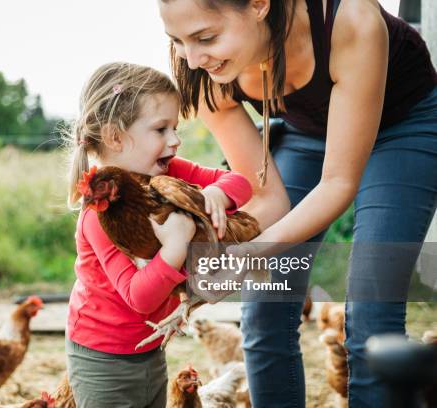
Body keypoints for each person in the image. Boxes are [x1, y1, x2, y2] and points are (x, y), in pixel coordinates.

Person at [157, 0, 437, 407]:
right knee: (265, 300)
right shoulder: (197, 71)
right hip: (307, 131)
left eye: (206, 38)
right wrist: (224, 259)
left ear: (258, 5)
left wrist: (250, 253)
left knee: (372, 305)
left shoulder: (350, 19)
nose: (194, 58)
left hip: (404, 125)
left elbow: (338, 183)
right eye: (178, 40)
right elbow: (268, 199)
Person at [63, 62, 253, 408]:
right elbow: (140, 298)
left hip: (149, 347)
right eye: (161, 129)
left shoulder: (171, 171)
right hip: (102, 357)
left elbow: (241, 181)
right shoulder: (101, 213)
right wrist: (176, 245)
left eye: (176, 128)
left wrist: (218, 194)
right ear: (114, 136)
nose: (175, 140)